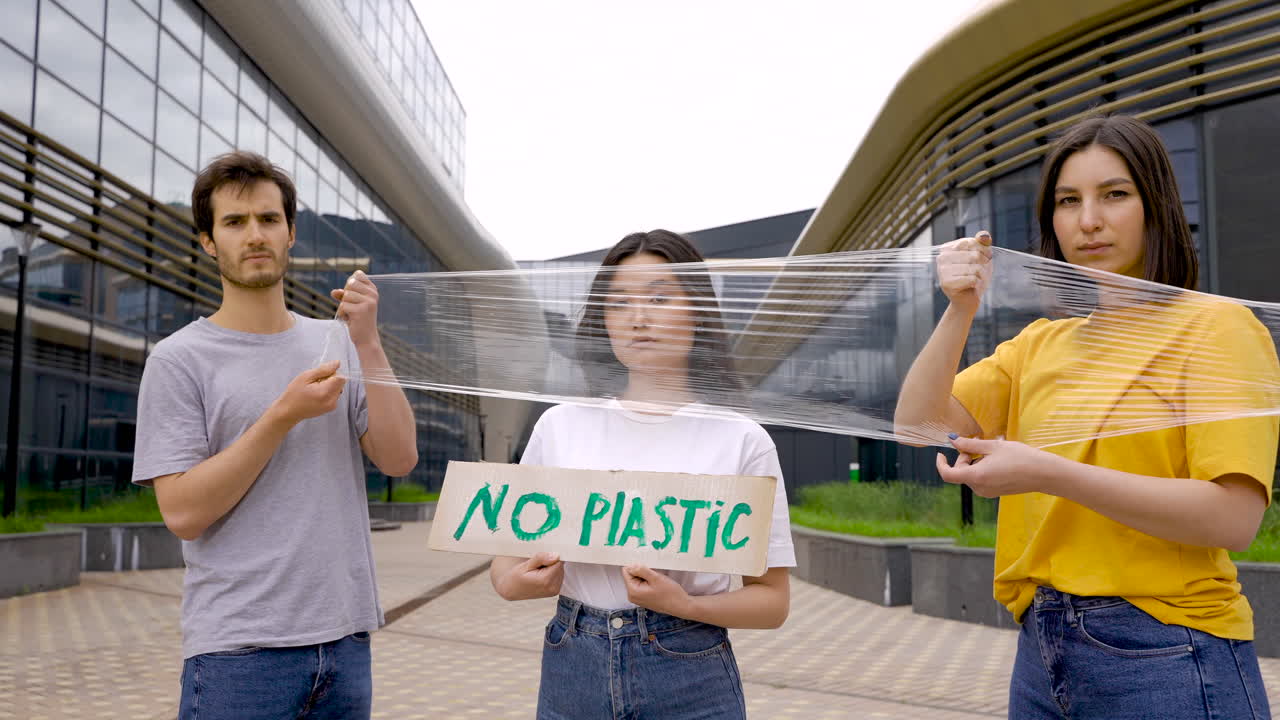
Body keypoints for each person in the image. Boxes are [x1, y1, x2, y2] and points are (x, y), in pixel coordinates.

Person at [895, 114, 1278, 719]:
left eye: (1115, 195)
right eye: (1068, 201)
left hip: (1169, 649)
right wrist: (959, 310)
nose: (1089, 220)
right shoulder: (1039, 345)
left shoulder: (1217, 328)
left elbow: (1233, 518)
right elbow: (917, 426)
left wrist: (1048, 473)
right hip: (1041, 652)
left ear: (1157, 206)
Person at [132, 151, 418, 720]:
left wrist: (369, 343)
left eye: (268, 219)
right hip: (239, 652)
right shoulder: (178, 360)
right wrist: (279, 416)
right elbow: (183, 513)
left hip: (345, 643)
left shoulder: (337, 345)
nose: (254, 235)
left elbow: (399, 458)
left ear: (291, 232)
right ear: (209, 242)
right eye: (234, 223)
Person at [489, 230, 795, 719]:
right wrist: (520, 582)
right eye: (619, 303)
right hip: (574, 657)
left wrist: (686, 606)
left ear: (697, 310)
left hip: (688, 666)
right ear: (603, 322)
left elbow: (772, 601)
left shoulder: (742, 439)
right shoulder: (560, 425)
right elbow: (504, 567)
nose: (639, 317)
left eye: (659, 297)